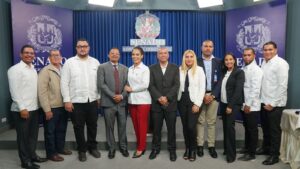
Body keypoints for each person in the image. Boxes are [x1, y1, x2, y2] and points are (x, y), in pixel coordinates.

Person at [61, 38, 101, 162]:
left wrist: (98, 97)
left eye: (85, 46)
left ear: (88, 48)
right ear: (76, 48)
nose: (82, 48)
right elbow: (64, 82)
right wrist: (67, 100)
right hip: (76, 101)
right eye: (79, 46)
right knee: (78, 127)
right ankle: (82, 150)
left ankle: (92, 147)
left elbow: (98, 82)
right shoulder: (69, 63)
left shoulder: (95, 62)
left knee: (93, 126)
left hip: (92, 100)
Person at [8, 45, 47, 169]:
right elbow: (15, 91)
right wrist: (22, 108)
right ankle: (25, 161)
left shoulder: (32, 69)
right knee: (23, 137)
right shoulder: (15, 70)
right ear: (21, 54)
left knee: (33, 136)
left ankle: (32, 155)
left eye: (31, 53)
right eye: (26, 53)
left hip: (34, 108)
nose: (29, 55)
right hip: (22, 110)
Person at [38, 49, 72, 162]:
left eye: (58, 55)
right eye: (53, 55)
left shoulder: (64, 69)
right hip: (51, 108)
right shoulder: (45, 71)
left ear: (61, 56)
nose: (56, 57)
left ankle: (60, 148)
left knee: (61, 130)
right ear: (49, 58)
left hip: (63, 106)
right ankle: (51, 154)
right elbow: (42, 92)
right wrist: (47, 110)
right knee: (50, 132)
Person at [259, 41, 289, 165]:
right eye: (265, 50)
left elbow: (282, 86)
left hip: (274, 104)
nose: (267, 52)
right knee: (265, 128)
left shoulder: (281, 64)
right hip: (264, 102)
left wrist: (273, 103)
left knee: (274, 131)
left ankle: (274, 155)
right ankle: (266, 148)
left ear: (276, 50)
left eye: (270, 49)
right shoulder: (264, 63)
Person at [148, 47, 180, 161]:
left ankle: (172, 150)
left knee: (171, 129)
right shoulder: (151, 68)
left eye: (165, 53)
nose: (162, 55)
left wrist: (167, 98)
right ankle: (155, 149)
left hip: (170, 104)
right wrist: (159, 97)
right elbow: (150, 85)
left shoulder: (175, 68)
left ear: (168, 55)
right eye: (160, 53)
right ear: (157, 55)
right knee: (156, 129)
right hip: (157, 104)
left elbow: (176, 85)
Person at [97, 47, 129, 159]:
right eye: (112, 53)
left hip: (122, 103)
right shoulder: (102, 67)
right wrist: (113, 96)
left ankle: (123, 147)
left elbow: (127, 85)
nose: (115, 55)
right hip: (108, 103)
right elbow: (101, 84)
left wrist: (121, 96)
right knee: (109, 127)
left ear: (119, 56)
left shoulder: (125, 69)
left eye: (117, 54)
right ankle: (112, 148)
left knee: (123, 126)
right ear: (108, 55)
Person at [177, 50, 206, 161]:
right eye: (186, 57)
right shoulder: (180, 69)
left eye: (191, 57)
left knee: (191, 126)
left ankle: (193, 149)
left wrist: (197, 104)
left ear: (194, 58)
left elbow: (202, 88)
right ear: (184, 58)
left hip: (194, 101)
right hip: (182, 100)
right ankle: (187, 148)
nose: (189, 59)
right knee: (185, 127)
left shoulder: (199, 70)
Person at [124, 46, 151, 158]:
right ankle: (140, 144)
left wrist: (132, 89)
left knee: (142, 125)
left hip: (143, 100)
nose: (135, 56)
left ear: (142, 56)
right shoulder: (129, 69)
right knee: (135, 125)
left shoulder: (145, 69)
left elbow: (145, 85)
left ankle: (141, 148)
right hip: (132, 100)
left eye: (137, 54)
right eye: (133, 54)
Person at [196, 40, 222, 158]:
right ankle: (200, 145)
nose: (207, 48)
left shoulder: (219, 62)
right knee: (200, 122)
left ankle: (211, 146)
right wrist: (202, 95)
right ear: (201, 48)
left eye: (210, 46)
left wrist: (212, 95)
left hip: (213, 96)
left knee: (211, 122)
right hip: (199, 96)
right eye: (205, 46)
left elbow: (221, 80)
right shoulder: (195, 61)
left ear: (213, 48)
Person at [237, 48, 263, 161]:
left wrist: (248, 104)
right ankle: (247, 148)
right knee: (247, 127)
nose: (246, 57)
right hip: (245, 103)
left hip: (251, 105)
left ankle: (251, 153)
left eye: (249, 55)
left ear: (254, 55)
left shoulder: (256, 70)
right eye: (245, 55)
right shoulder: (244, 67)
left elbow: (255, 89)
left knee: (252, 129)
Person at [220, 53, 245, 163]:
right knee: (225, 127)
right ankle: (226, 149)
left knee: (230, 128)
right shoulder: (224, 72)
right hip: (224, 103)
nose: (228, 61)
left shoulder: (239, 72)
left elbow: (238, 91)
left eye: (230, 59)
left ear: (234, 60)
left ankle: (231, 155)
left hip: (233, 104)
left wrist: (230, 106)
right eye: (226, 60)